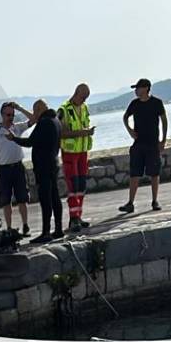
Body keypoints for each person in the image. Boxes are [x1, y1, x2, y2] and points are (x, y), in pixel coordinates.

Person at [6, 100, 64, 243]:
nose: (34, 115)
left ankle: (46, 232)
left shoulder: (44, 122)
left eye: (35, 111)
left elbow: (30, 142)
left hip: (44, 166)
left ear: (39, 109)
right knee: (55, 197)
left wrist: (14, 139)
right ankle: (58, 229)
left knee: (46, 199)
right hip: (54, 162)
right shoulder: (56, 120)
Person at [119, 78, 169, 213]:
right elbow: (125, 117)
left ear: (146, 88)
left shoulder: (156, 103)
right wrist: (130, 130)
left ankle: (154, 201)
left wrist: (163, 140)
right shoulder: (134, 104)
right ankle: (130, 203)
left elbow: (164, 121)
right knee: (134, 173)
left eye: (138, 88)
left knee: (154, 173)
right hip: (138, 144)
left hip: (153, 143)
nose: (136, 91)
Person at [0, 102, 33, 234]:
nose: (10, 117)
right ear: (2, 115)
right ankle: (9, 227)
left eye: (12, 115)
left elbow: (34, 119)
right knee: (6, 200)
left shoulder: (18, 128)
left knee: (22, 199)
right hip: (3, 170)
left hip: (18, 167)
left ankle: (25, 225)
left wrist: (19, 108)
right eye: (8, 114)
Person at [58, 84, 96, 232]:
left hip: (82, 152)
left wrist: (87, 133)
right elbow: (61, 133)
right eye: (83, 97)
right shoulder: (63, 109)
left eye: (86, 98)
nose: (84, 100)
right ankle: (73, 219)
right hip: (69, 152)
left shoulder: (84, 107)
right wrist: (83, 132)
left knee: (81, 186)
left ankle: (78, 215)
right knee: (73, 186)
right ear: (76, 93)